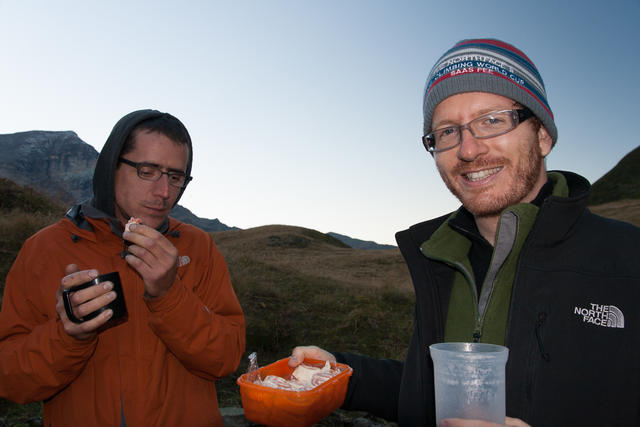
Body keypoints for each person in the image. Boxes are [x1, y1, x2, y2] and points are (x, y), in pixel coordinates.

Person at [290, 39, 640, 426]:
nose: (468, 150)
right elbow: (430, 395)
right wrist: (342, 373)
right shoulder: (439, 259)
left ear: (542, 135)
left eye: (492, 120)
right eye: (447, 132)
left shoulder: (628, 261)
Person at [0, 110, 246, 426]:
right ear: (111, 166)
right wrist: (68, 335)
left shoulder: (199, 248)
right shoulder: (44, 249)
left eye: (175, 177)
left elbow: (225, 359)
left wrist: (169, 295)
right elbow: (11, 380)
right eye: (147, 171)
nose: (164, 192)